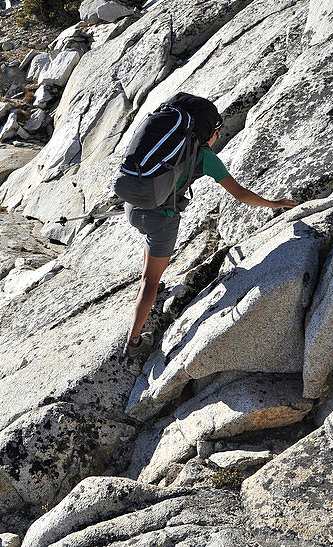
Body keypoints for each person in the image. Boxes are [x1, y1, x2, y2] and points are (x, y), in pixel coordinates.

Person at [124, 94, 297, 360]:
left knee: (151, 252)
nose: (217, 137)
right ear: (208, 131)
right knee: (150, 281)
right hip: (161, 219)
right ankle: (134, 341)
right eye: (217, 132)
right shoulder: (204, 156)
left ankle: (151, 283)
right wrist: (274, 203)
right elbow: (240, 194)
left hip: (133, 206)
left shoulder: (162, 141)